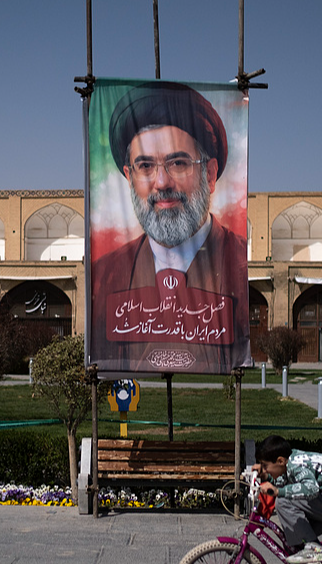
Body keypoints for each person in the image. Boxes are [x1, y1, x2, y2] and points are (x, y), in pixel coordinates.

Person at [90, 81, 250, 374]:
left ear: (210, 174)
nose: (161, 183)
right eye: (146, 166)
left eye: (178, 163)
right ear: (129, 177)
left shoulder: (240, 265)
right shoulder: (104, 276)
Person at [253, 435, 322, 564]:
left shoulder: (297, 465)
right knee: (295, 543)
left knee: (283, 501)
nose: (264, 469)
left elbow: (311, 489)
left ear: (280, 461)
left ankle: (315, 549)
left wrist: (277, 492)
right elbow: (286, 481)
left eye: (265, 466)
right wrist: (266, 476)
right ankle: (308, 555)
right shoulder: (290, 461)